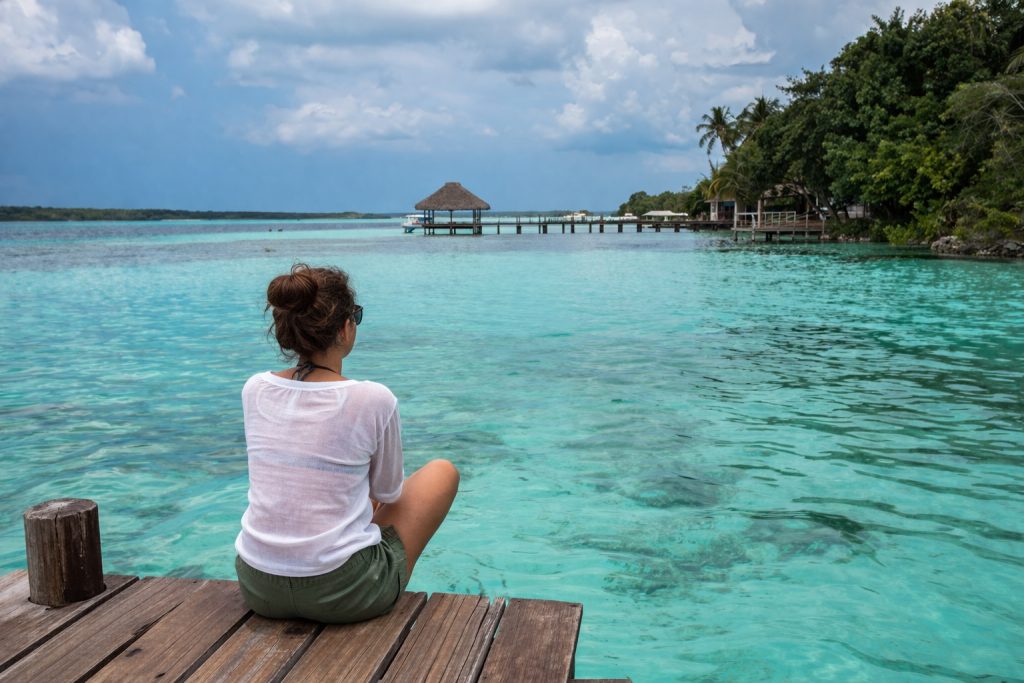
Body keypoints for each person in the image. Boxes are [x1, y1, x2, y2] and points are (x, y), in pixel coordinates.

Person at [234, 263, 458, 623]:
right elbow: (388, 492)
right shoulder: (373, 398)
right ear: (345, 328)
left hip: (258, 586)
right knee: (442, 472)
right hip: (345, 593)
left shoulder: (254, 388)